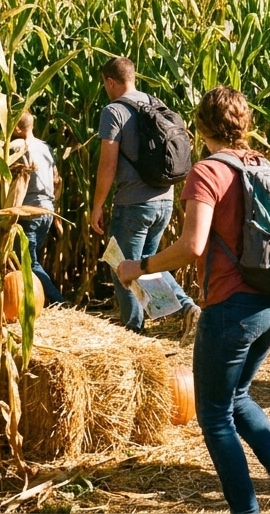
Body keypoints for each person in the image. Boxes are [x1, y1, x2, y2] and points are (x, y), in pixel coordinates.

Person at [117, 86, 270, 514]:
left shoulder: (207, 172)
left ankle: (246, 509)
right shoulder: (263, 165)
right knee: (237, 395)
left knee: (214, 416)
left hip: (231, 308)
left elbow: (192, 246)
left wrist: (141, 265)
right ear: (245, 124)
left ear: (200, 126)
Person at [90, 56, 200, 337]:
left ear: (110, 81)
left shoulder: (113, 111)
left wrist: (98, 205)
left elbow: (108, 164)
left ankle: (134, 333)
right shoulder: (154, 103)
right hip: (164, 199)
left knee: (122, 266)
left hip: (133, 203)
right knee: (148, 262)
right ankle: (186, 308)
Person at [8, 111, 65, 304]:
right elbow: (57, 179)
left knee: (27, 263)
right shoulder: (45, 147)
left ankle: (59, 302)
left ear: (17, 128)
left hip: (28, 212)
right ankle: (31, 302)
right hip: (46, 211)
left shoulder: (16, 146)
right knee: (31, 261)